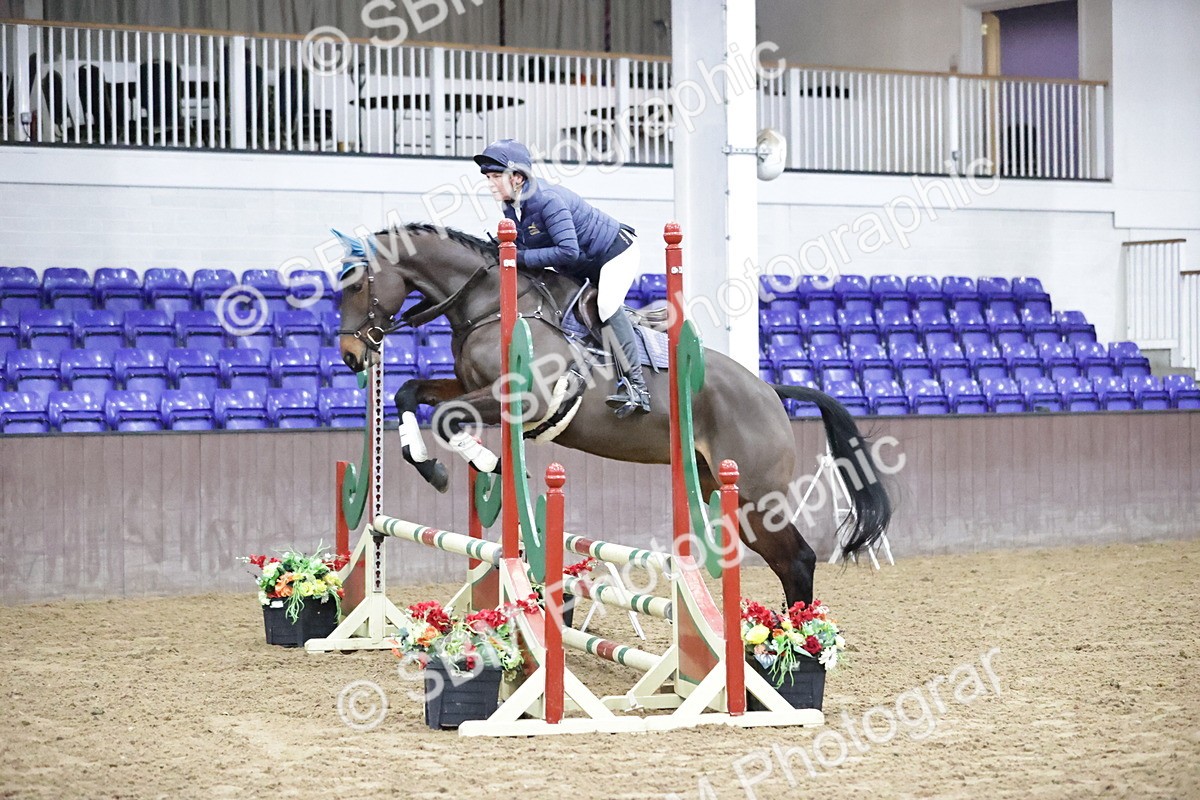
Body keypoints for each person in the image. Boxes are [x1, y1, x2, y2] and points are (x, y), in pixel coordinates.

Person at [473, 138, 650, 417]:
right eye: (489, 177)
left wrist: (517, 257)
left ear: (518, 177)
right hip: (582, 264)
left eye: (496, 177)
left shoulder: (547, 201)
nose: (490, 183)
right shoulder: (511, 204)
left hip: (615, 254)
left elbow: (567, 251)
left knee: (606, 306)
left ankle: (637, 388)